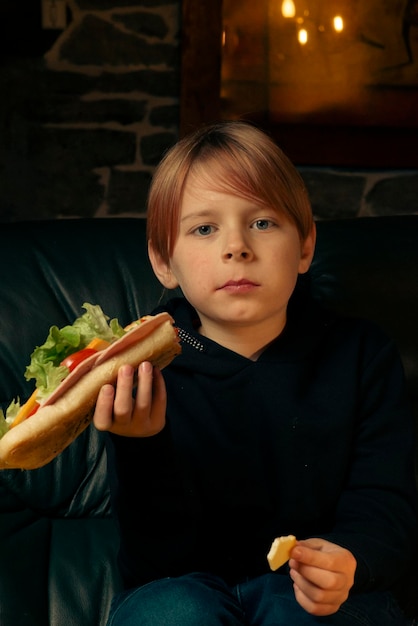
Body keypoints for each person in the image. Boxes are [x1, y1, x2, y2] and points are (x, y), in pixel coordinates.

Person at [93, 121, 417, 625]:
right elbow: (154, 560)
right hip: (177, 589)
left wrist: (350, 559)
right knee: (175, 611)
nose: (237, 247)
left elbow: (384, 505)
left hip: (320, 597)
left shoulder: (361, 354)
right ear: (164, 262)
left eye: (262, 223)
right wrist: (142, 444)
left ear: (305, 247)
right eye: (204, 228)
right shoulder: (139, 371)